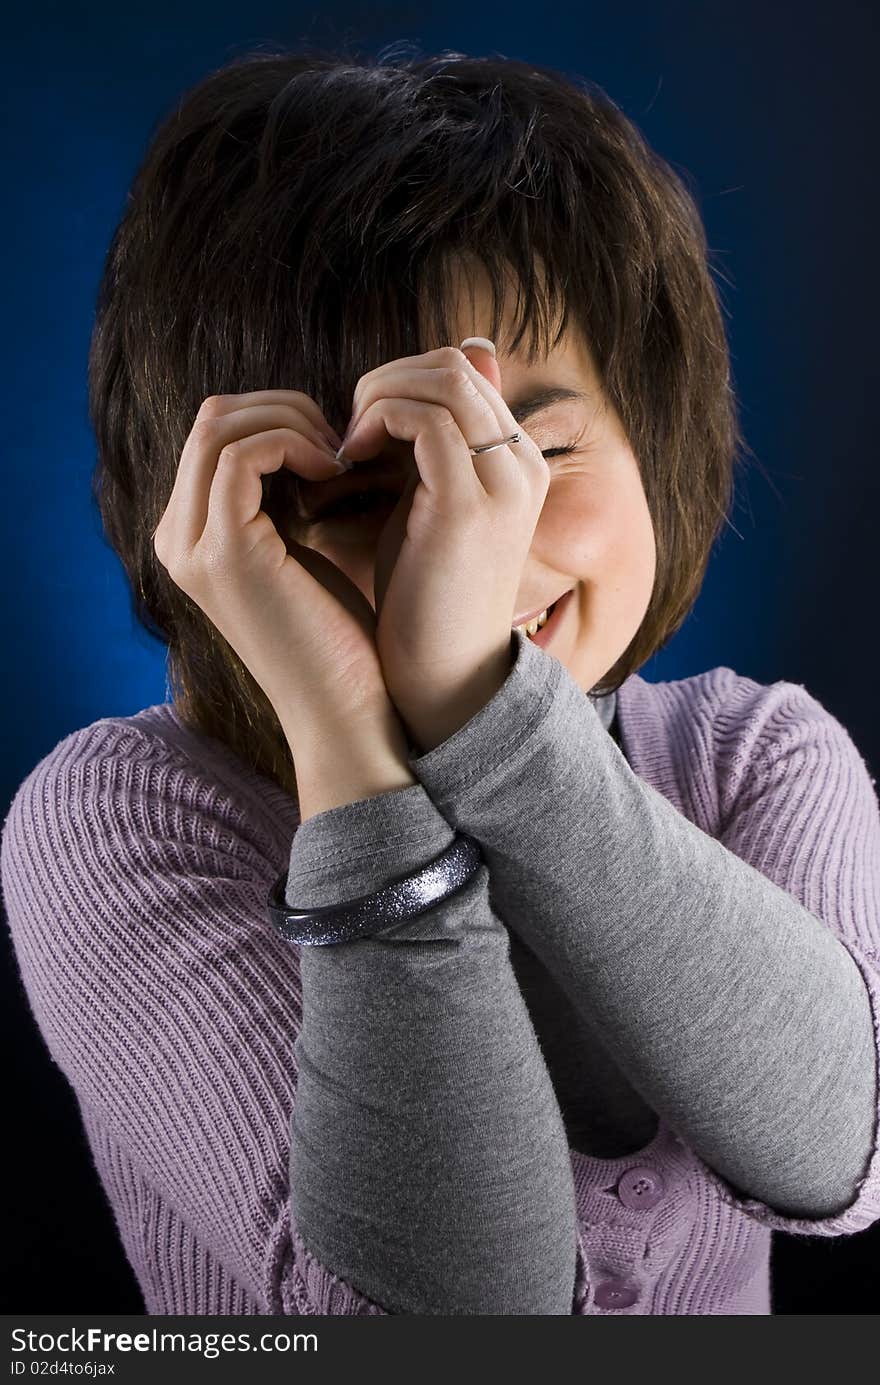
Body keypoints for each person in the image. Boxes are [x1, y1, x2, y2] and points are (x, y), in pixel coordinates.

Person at [3, 46, 879, 1316]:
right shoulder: (118, 820)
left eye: (536, 447)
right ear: (218, 521)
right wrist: (351, 745)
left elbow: (833, 1145)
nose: (472, 539)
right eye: (369, 488)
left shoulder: (757, 755)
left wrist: (484, 709)